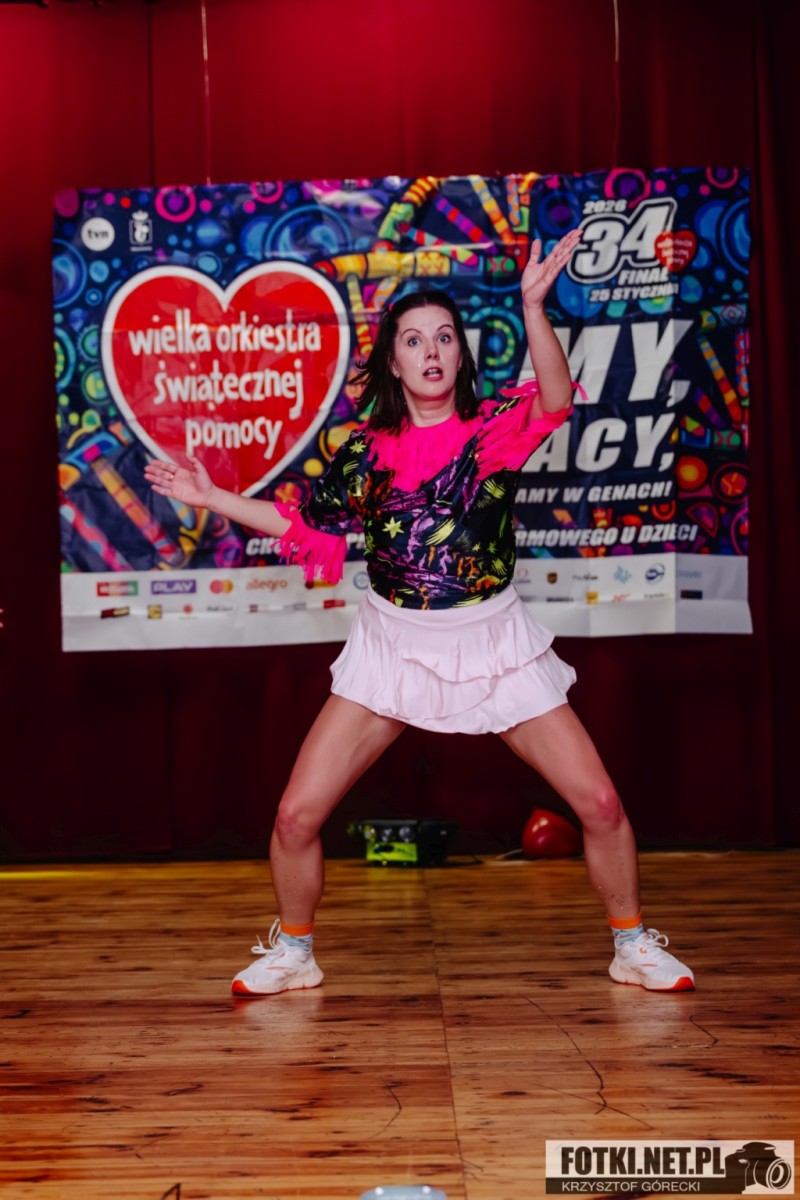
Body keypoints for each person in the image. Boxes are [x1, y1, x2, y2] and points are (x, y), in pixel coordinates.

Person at [145, 231, 694, 997]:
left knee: (600, 804)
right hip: (393, 646)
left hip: (494, 641)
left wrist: (534, 307)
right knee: (295, 817)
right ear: (394, 363)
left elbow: (557, 399)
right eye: (413, 340)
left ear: (460, 357)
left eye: (444, 338)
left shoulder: (494, 432)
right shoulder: (365, 454)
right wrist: (213, 498)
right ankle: (295, 955)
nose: (431, 351)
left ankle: (631, 945)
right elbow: (301, 523)